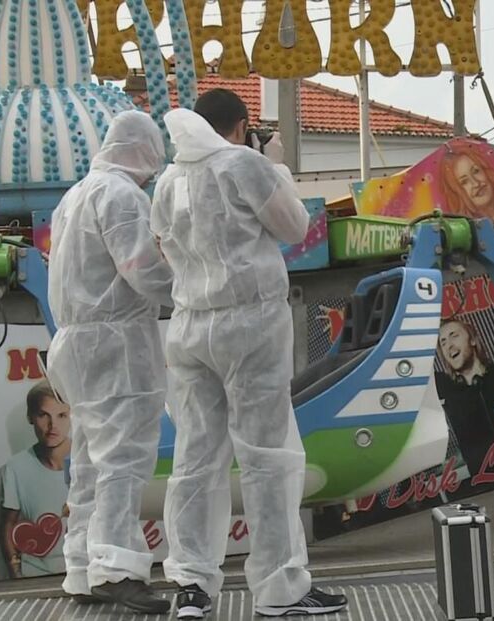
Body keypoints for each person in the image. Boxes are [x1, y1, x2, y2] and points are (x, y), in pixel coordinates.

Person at [151, 89, 347, 619]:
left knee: (196, 458)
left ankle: (191, 585)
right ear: (240, 126)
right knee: (267, 456)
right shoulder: (243, 164)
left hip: (190, 325)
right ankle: (281, 587)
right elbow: (295, 227)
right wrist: (276, 165)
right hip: (250, 324)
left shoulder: (168, 180)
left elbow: (162, 246)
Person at [46, 110, 173, 613]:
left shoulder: (75, 195)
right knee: (124, 456)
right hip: (115, 343)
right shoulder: (121, 196)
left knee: (90, 460)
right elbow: (143, 269)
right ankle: (117, 568)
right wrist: (194, 290)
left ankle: (81, 567)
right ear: (143, 150)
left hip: (75, 343)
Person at [0, 380, 70, 579]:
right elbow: (8, 523)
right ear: (30, 417)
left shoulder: (89, 459)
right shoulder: (16, 467)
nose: (52, 426)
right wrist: (16, 573)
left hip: (84, 572)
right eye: (43, 415)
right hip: (35, 575)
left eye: (61, 415)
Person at [434, 319, 494, 475]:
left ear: (473, 340)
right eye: (443, 342)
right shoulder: (444, 388)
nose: (449, 345)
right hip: (485, 485)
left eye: (454, 336)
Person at [439, 143, 494, 224]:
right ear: (457, 193)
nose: (476, 183)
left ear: (487, 173)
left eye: (476, 171)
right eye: (464, 181)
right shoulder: (470, 227)